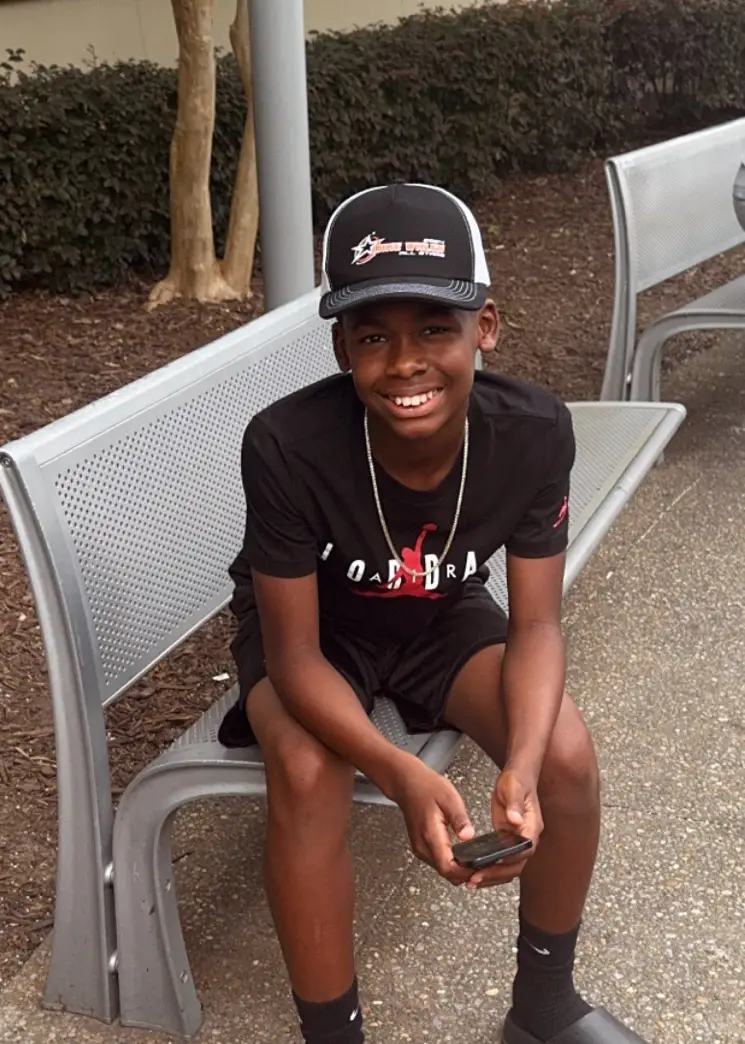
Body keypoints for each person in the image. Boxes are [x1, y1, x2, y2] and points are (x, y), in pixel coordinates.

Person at [219, 183, 646, 1044]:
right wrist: (398, 773)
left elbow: (535, 626)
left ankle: (544, 1006)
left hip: (439, 613)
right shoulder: (285, 445)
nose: (405, 362)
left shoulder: (532, 432)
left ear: (484, 327)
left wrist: (518, 767)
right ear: (341, 348)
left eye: (434, 329)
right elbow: (293, 656)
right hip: (317, 631)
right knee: (304, 768)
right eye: (373, 336)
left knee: (563, 755)